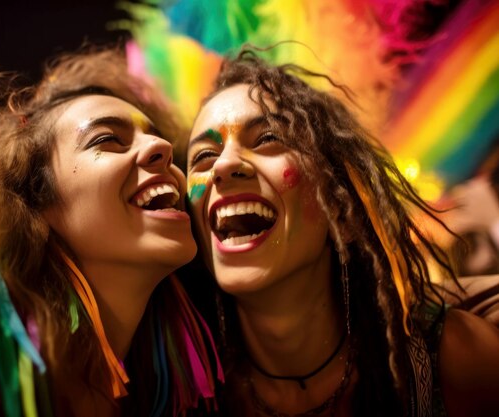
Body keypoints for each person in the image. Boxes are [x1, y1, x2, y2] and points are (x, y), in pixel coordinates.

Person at [0, 47, 221, 417]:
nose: (162, 147)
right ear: (36, 202)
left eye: (156, 135)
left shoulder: (163, 391)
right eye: (106, 139)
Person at [183, 47, 499, 416]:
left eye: (268, 138)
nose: (223, 166)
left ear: (341, 209)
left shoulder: (448, 359)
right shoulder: (187, 395)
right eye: (204, 156)